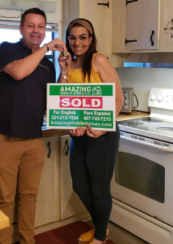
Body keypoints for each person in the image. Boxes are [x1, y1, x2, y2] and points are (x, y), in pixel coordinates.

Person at [0, 8, 66, 244]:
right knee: (4, 199)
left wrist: (64, 71)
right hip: (6, 139)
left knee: (29, 197)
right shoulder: (6, 49)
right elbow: (20, 72)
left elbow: (53, 100)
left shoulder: (46, 64)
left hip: (34, 139)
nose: (36, 31)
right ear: (20, 28)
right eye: (31, 25)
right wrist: (46, 48)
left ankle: (27, 241)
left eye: (41, 26)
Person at [58, 18, 123, 244]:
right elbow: (62, 98)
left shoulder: (99, 60)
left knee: (99, 189)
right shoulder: (70, 63)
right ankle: (102, 229)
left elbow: (118, 98)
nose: (77, 42)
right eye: (73, 37)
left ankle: (99, 237)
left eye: (83, 37)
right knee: (80, 186)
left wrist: (104, 127)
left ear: (91, 39)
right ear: (68, 39)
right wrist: (64, 71)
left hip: (103, 135)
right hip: (79, 135)